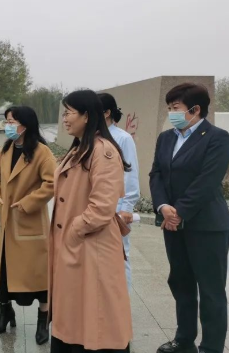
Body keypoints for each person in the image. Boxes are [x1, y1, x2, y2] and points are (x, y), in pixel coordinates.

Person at [150, 83, 229, 353]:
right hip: (173, 225)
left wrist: (179, 212)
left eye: (175, 108)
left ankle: (211, 347)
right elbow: (156, 174)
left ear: (195, 109)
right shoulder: (166, 138)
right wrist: (163, 207)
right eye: (169, 108)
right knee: (181, 283)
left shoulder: (217, 137)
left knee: (211, 290)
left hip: (207, 226)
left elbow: (207, 180)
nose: (171, 113)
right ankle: (184, 340)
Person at [50, 90, 133, 353]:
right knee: (76, 315)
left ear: (86, 116)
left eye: (69, 113)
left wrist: (74, 229)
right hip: (78, 246)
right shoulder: (81, 148)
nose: (65, 119)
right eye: (64, 113)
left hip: (91, 245)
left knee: (96, 319)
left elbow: (102, 207)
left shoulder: (103, 150)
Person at [0, 106, 56, 343]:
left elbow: (52, 183)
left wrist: (27, 203)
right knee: (5, 274)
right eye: (6, 121)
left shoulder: (42, 152)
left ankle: (43, 321)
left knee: (39, 277)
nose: (7, 126)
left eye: (11, 122)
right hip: (7, 223)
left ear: (25, 125)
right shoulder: (6, 149)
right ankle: (5, 313)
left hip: (30, 223)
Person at [98, 93, 140, 289]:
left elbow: (130, 175)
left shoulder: (122, 138)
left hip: (116, 208)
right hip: (95, 208)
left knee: (120, 255)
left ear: (107, 113)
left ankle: (123, 301)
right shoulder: (91, 137)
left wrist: (127, 207)